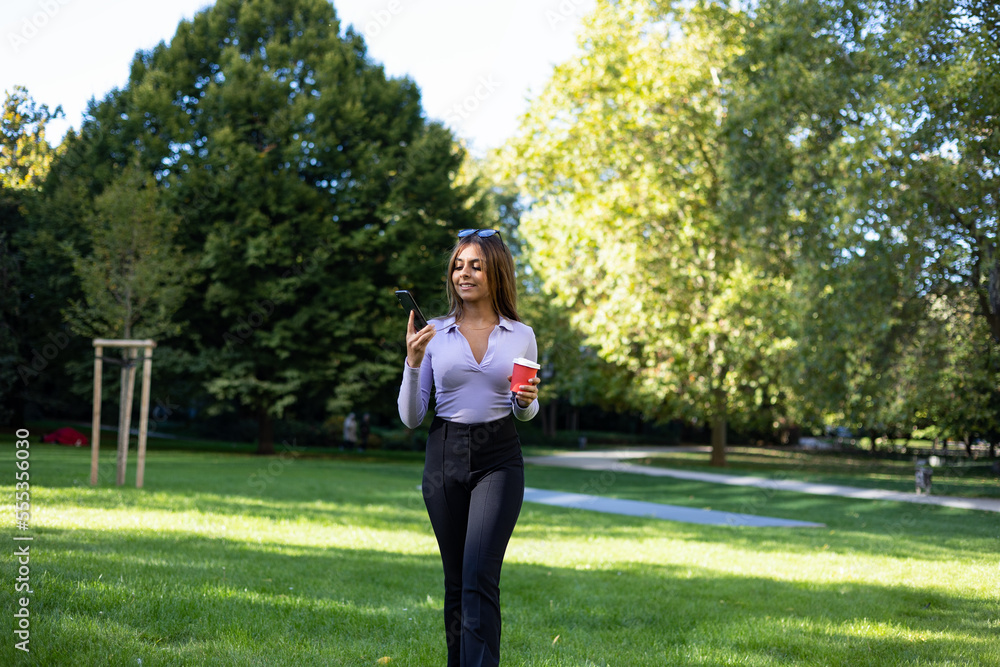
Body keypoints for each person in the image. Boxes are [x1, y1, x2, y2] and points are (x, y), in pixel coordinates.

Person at [397, 228, 541, 667]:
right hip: (446, 454)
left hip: (499, 457)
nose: (465, 273)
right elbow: (411, 416)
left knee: (481, 574)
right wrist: (412, 362)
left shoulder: (521, 334)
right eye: (459, 265)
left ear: (496, 271)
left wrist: (526, 401)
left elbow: (525, 411)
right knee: (457, 579)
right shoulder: (434, 332)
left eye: (476, 265)